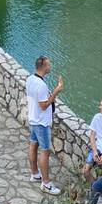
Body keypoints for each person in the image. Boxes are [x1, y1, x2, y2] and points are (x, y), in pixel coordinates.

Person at [25, 55, 62, 195]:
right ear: (44, 66)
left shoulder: (30, 79)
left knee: (33, 145)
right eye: (49, 64)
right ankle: (46, 183)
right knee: (45, 151)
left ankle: (35, 174)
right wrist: (56, 92)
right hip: (41, 122)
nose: (50, 66)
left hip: (34, 119)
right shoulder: (41, 85)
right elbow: (44, 105)